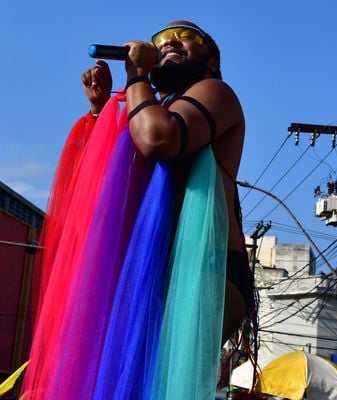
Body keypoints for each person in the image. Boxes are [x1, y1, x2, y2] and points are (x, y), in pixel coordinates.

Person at [23, 21, 253, 399]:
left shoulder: (216, 92)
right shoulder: (151, 103)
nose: (170, 42)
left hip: (207, 268)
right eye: (161, 39)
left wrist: (137, 75)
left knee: (162, 384)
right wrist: (100, 113)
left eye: (186, 37)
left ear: (211, 62)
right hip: (153, 267)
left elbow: (160, 138)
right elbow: (111, 186)